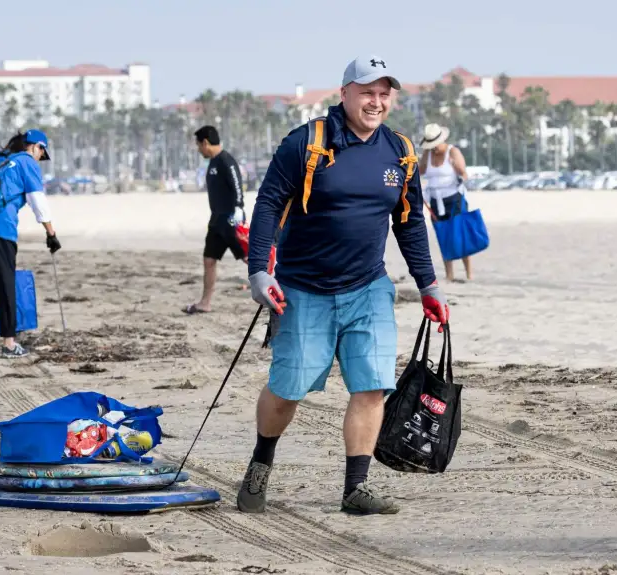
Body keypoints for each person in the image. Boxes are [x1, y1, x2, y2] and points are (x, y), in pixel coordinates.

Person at [236, 54, 449, 516]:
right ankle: (260, 462)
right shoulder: (307, 143)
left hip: (368, 287)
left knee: (372, 385)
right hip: (302, 288)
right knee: (288, 388)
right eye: (367, 92)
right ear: (345, 93)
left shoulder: (401, 152)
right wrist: (259, 270)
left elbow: (409, 225)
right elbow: (269, 204)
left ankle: (356, 487)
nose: (375, 101)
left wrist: (429, 285)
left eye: (383, 93)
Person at [0, 129, 61, 358]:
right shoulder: (26, 163)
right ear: (36, 147)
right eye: (41, 153)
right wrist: (51, 234)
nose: (39, 159)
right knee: (5, 284)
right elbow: (38, 202)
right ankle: (8, 344)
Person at [184, 125, 247, 315]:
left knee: (248, 258)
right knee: (209, 259)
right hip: (216, 221)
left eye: (198, 145)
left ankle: (277, 288)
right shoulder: (212, 162)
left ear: (205, 142)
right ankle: (205, 302)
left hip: (229, 220)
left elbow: (237, 183)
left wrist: (238, 207)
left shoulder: (226, 160)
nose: (198, 150)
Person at [420, 123, 473, 282]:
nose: (434, 148)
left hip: (454, 199)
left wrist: (455, 166)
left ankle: (469, 273)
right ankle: (449, 274)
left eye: (435, 145)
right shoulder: (427, 154)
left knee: (459, 236)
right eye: (431, 145)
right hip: (435, 201)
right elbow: (420, 171)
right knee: (443, 236)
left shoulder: (453, 151)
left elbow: (464, 174)